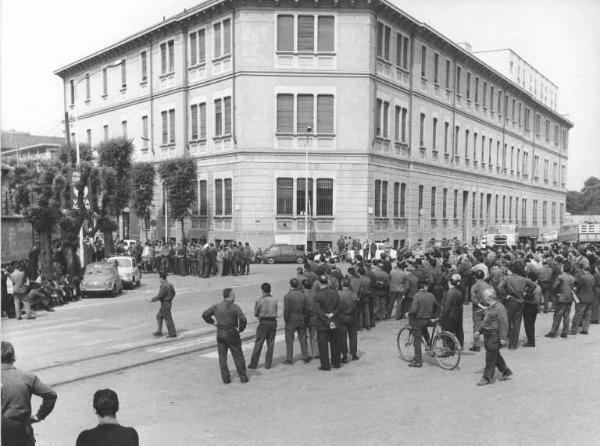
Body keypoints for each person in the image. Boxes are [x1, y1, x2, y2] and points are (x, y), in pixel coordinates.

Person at [1, 341, 57, 446]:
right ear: (13, 357)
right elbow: (51, 395)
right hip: (22, 432)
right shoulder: (27, 377)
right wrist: (39, 416)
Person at [202, 288, 249, 384]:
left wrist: (213, 322)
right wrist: (240, 329)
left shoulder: (216, 306)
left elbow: (205, 314)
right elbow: (243, 319)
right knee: (238, 356)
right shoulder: (235, 307)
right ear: (230, 296)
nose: (235, 296)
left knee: (222, 357)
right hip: (232, 333)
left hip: (220, 333)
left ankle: (226, 379)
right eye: (234, 295)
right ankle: (243, 378)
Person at [477, 288, 512, 386]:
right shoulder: (489, 307)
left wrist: (503, 337)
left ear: (489, 297)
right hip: (487, 334)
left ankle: (487, 377)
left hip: (494, 335)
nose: (483, 298)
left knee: (490, 357)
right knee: (494, 354)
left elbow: (504, 323)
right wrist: (479, 331)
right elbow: (486, 321)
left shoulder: (499, 307)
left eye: (484, 296)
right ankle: (505, 371)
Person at [407, 278, 438, 368]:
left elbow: (414, 310)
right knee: (424, 329)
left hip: (419, 320)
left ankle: (418, 361)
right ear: (425, 286)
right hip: (429, 320)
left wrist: (408, 313)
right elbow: (436, 305)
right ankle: (429, 345)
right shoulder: (431, 295)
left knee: (417, 341)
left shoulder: (417, 296)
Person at [314, 275, 342, 371]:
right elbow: (339, 307)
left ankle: (325, 365)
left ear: (319, 283)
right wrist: (332, 315)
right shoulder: (335, 293)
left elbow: (318, 311)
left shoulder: (317, 295)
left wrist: (327, 320)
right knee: (335, 344)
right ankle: (336, 362)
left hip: (322, 324)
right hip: (334, 321)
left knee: (323, 345)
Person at [248, 283, 278, 369]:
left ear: (262, 291)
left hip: (263, 322)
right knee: (270, 344)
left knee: (259, 343)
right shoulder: (275, 299)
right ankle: (268, 364)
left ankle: (253, 364)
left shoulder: (259, 300)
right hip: (273, 322)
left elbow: (255, 313)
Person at [546, 261, 575, 338]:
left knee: (557, 316)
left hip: (561, 297)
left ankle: (553, 332)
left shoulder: (560, 277)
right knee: (566, 315)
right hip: (569, 297)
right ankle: (565, 332)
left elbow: (554, 287)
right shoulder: (572, 278)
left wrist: (556, 293)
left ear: (564, 268)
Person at [283, 278, 309, 364]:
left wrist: (286, 319)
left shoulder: (288, 296)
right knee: (302, 338)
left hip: (291, 319)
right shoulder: (302, 295)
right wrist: (304, 318)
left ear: (290, 285)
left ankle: (289, 358)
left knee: (289, 339)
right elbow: (306, 309)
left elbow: (286, 310)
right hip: (301, 318)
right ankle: (305, 356)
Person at [149, 271, 177, 338]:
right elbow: (174, 293)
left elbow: (160, 296)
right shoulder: (170, 284)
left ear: (162, 278)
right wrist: (170, 299)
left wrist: (152, 300)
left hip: (165, 304)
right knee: (159, 316)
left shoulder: (164, 286)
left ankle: (172, 333)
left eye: (159, 278)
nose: (159, 280)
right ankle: (159, 331)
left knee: (168, 318)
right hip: (168, 303)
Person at [440, 274, 464, 348]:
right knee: (457, 329)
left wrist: (442, 316)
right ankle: (458, 345)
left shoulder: (450, 292)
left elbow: (447, 306)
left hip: (450, 315)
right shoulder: (459, 292)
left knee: (447, 331)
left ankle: (448, 347)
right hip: (457, 313)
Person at [338, 277, 359, 361]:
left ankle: (344, 354)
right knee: (353, 336)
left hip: (342, 317)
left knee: (342, 337)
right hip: (352, 317)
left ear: (342, 284)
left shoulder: (339, 294)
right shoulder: (354, 294)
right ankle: (354, 354)